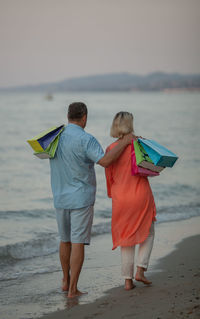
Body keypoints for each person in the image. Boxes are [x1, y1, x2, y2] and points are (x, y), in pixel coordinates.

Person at [50, 102, 133, 298]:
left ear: (69, 116)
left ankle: (65, 281)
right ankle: (73, 290)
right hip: (81, 198)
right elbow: (104, 161)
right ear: (84, 117)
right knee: (77, 241)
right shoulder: (86, 139)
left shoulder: (55, 137)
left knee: (65, 240)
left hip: (60, 196)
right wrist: (125, 142)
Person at [105, 111, 156, 291]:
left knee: (126, 238)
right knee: (148, 232)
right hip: (140, 193)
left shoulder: (111, 149)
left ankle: (127, 281)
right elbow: (152, 168)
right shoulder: (139, 144)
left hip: (121, 198)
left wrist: (114, 195)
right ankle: (140, 270)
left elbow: (109, 177)